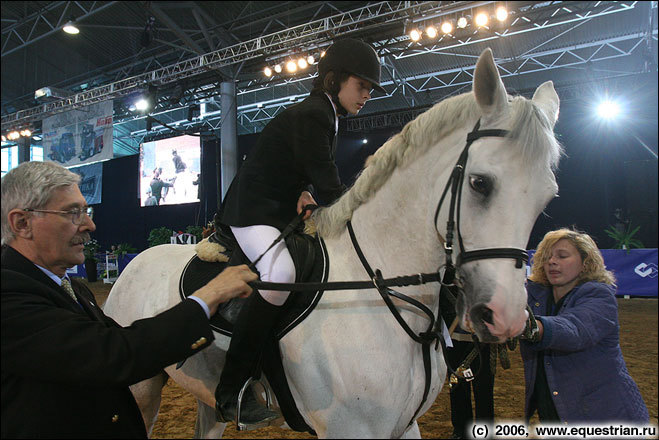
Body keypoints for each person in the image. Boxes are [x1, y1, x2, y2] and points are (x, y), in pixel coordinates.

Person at [1, 161, 258, 438]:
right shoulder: (8, 295)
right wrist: (208, 296)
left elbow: (122, 339)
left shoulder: (70, 287)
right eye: (72, 213)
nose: (90, 224)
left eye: (85, 211)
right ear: (22, 223)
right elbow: (113, 354)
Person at [214, 38, 385, 426]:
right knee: (281, 277)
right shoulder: (316, 114)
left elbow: (305, 172)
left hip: (276, 207)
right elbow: (331, 186)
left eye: (370, 89)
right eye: (362, 86)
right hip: (252, 210)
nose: (367, 95)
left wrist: (305, 190)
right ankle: (231, 390)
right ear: (333, 80)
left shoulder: (326, 113)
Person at [520, 228, 649, 424]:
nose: (552, 261)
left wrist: (528, 326)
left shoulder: (600, 296)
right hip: (556, 416)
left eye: (562, 256)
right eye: (547, 257)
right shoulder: (536, 297)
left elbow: (575, 329)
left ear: (585, 263)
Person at [446, 327, 494, 439]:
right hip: (453, 335)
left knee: (483, 389)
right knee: (457, 386)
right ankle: (461, 430)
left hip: (482, 336)